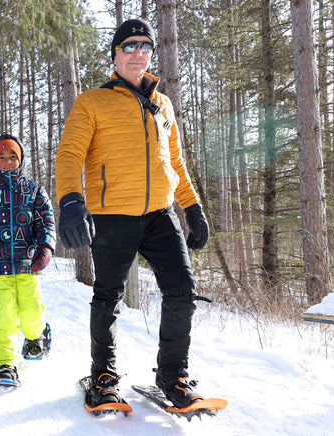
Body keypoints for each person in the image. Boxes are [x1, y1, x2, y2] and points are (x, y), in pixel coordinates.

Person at [54, 19, 211, 409]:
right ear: (115, 54)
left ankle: (172, 375)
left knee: (181, 290)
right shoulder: (92, 101)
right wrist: (71, 199)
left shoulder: (162, 104)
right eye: (129, 46)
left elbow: (175, 162)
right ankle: (103, 375)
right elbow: (70, 154)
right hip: (112, 216)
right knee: (107, 295)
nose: (138, 53)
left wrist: (193, 208)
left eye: (145, 46)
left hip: (160, 214)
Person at [0, 134, 56, 386]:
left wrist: (45, 250)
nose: (7, 162)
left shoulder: (34, 191)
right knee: (3, 317)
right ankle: (5, 363)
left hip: (28, 264)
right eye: (2, 158)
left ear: (20, 160)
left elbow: (46, 223)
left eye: (12, 157)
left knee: (30, 311)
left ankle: (36, 336)